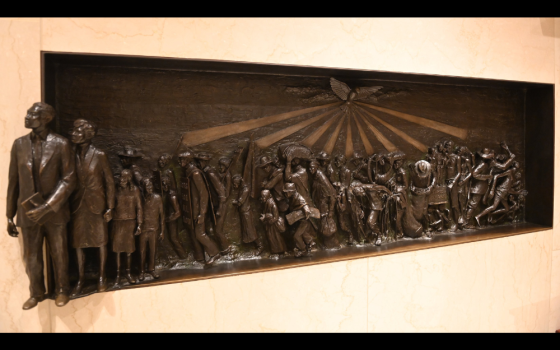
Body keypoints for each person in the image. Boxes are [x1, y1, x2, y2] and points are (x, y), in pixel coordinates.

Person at [6, 102, 76, 309]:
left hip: (54, 211)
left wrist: (48, 206)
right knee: (32, 256)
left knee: (59, 252)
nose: (27, 116)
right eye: (28, 112)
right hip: (27, 213)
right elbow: (13, 181)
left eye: (32, 114)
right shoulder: (19, 144)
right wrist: (9, 215)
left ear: (46, 118)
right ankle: (36, 292)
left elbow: (69, 179)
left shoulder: (61, 144)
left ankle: (63, 290)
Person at [69, 119, 114, 296]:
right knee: (78, 243)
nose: (73, 133)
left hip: (97, 205)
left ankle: (102, 277)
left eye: (78, 131)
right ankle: (81, 278)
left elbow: (109, 182)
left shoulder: (99, 155)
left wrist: (110, 206)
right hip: (77, 205)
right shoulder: (69, 154)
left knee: (101, 241)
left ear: (89, 135)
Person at [178, 150, 221, 264]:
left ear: (188, 161)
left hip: (198, 211)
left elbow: (204, 194)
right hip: (193, 210)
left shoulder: (195, 173)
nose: (180, 162)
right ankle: (201, 257)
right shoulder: (188, 172)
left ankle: (215, 253)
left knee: (200, 234)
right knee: (196, 234)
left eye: (182, 159)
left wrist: (202, 213)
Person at [464, 143, 515, 229]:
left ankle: (481, 219)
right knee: (473, 204)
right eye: (490, 156)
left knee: (482, 204)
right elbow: (475, 174)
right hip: (478, 188)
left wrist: (509, 153)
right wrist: (487, 177)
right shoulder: (482, 164)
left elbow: (503, 166)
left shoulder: (489, 163)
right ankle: (466, 222)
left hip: (483, 188)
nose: (493, 157)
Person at [196, 152, 232, 254]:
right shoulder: (205, 172)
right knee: (212, 230)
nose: (199, 163)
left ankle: (227, 250)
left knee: (218, 230)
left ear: (205, 162)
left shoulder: (210, 173)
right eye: (198, 161)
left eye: (201, 161)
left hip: (221, 205)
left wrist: (220, 208)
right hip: (214, 205)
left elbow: (221, 191)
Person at [112, 169, 142, 285]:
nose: (121, 180)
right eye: (120, 177)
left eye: (124, 177)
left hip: (130, 223)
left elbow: (139, 208)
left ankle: (128, 273)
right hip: (118, 222)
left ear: (129, 178)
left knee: (129, 250)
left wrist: (139, 224)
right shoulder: (115, 190)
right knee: (118, 250)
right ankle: (118, 274)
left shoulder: (135, 190)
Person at [349, 181, 392, 246]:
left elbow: (383, 188)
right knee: (366, 223)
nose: (360, 195)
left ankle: (378, 235)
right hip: (369, 206)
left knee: (370, 223)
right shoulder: (361, 189)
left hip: (376, 206)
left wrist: (390, 194)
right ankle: (371, 234)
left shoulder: (370, 187)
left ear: (360, 189)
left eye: (359, 193)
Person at [309, 160, 339, 248]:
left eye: (312, 168)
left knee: (327, 226)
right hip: (320, 205)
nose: (311, 170)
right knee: (323, 226)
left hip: (325, 206)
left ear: (316, 168)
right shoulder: (316, 176)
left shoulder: (321, 178)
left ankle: (333, 245)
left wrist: (331, 210)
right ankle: (327, 244)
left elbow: (332, 195)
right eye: (310, 168)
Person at [139, 178, 164, 281]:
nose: (149, 188)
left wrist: (162, 231)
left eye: (150, 186)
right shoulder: (140, 198)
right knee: (142, 251)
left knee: (153, 250)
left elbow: (162, 216)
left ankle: (151, 269)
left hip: (154, 228)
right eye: (147, 187)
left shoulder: (157, 198)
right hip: (143, 229)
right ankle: (141, 271)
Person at [232, 175, 264, 255]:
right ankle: (253, 246)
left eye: (235, 183)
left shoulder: (245, 189)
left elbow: (240, 201)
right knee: (247, 230)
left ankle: (260, 246)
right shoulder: (243, 188)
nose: (234, 185)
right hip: (243, 212)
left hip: (246, 212)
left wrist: (234, 202)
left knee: (250, 230)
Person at [283, 182, 317, 257]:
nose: (285, 194)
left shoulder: (298, 197)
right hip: (298, 220)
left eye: (287, 192)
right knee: (303, 234)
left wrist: (306, 209)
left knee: (296, 236)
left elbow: (304, 204)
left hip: (303, 221)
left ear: (291, 191)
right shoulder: (292, 197)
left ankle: (303, 250)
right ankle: (310, 243)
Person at [161, 175, 187, 259]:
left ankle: (183, 256)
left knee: (173, 238)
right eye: (162, 185)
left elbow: (178, 212)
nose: (164, 187)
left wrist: (167, 219)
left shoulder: (172, 196)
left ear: (169, 184)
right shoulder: (168, 194)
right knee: (172, 238)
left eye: (165, 185)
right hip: (170, 218)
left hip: (172, 220)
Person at [259, 190, 288, 256]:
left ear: (268, 196)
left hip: (273, 225)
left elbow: (275, 216)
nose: (262, 198)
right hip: (270, 224)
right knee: (272, 238)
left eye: (264, 196)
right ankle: (278, 251)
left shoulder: (272, 204)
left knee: (275, 238)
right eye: (262, 196)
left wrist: (266, 218)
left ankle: (278, 252)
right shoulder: (267, 202)